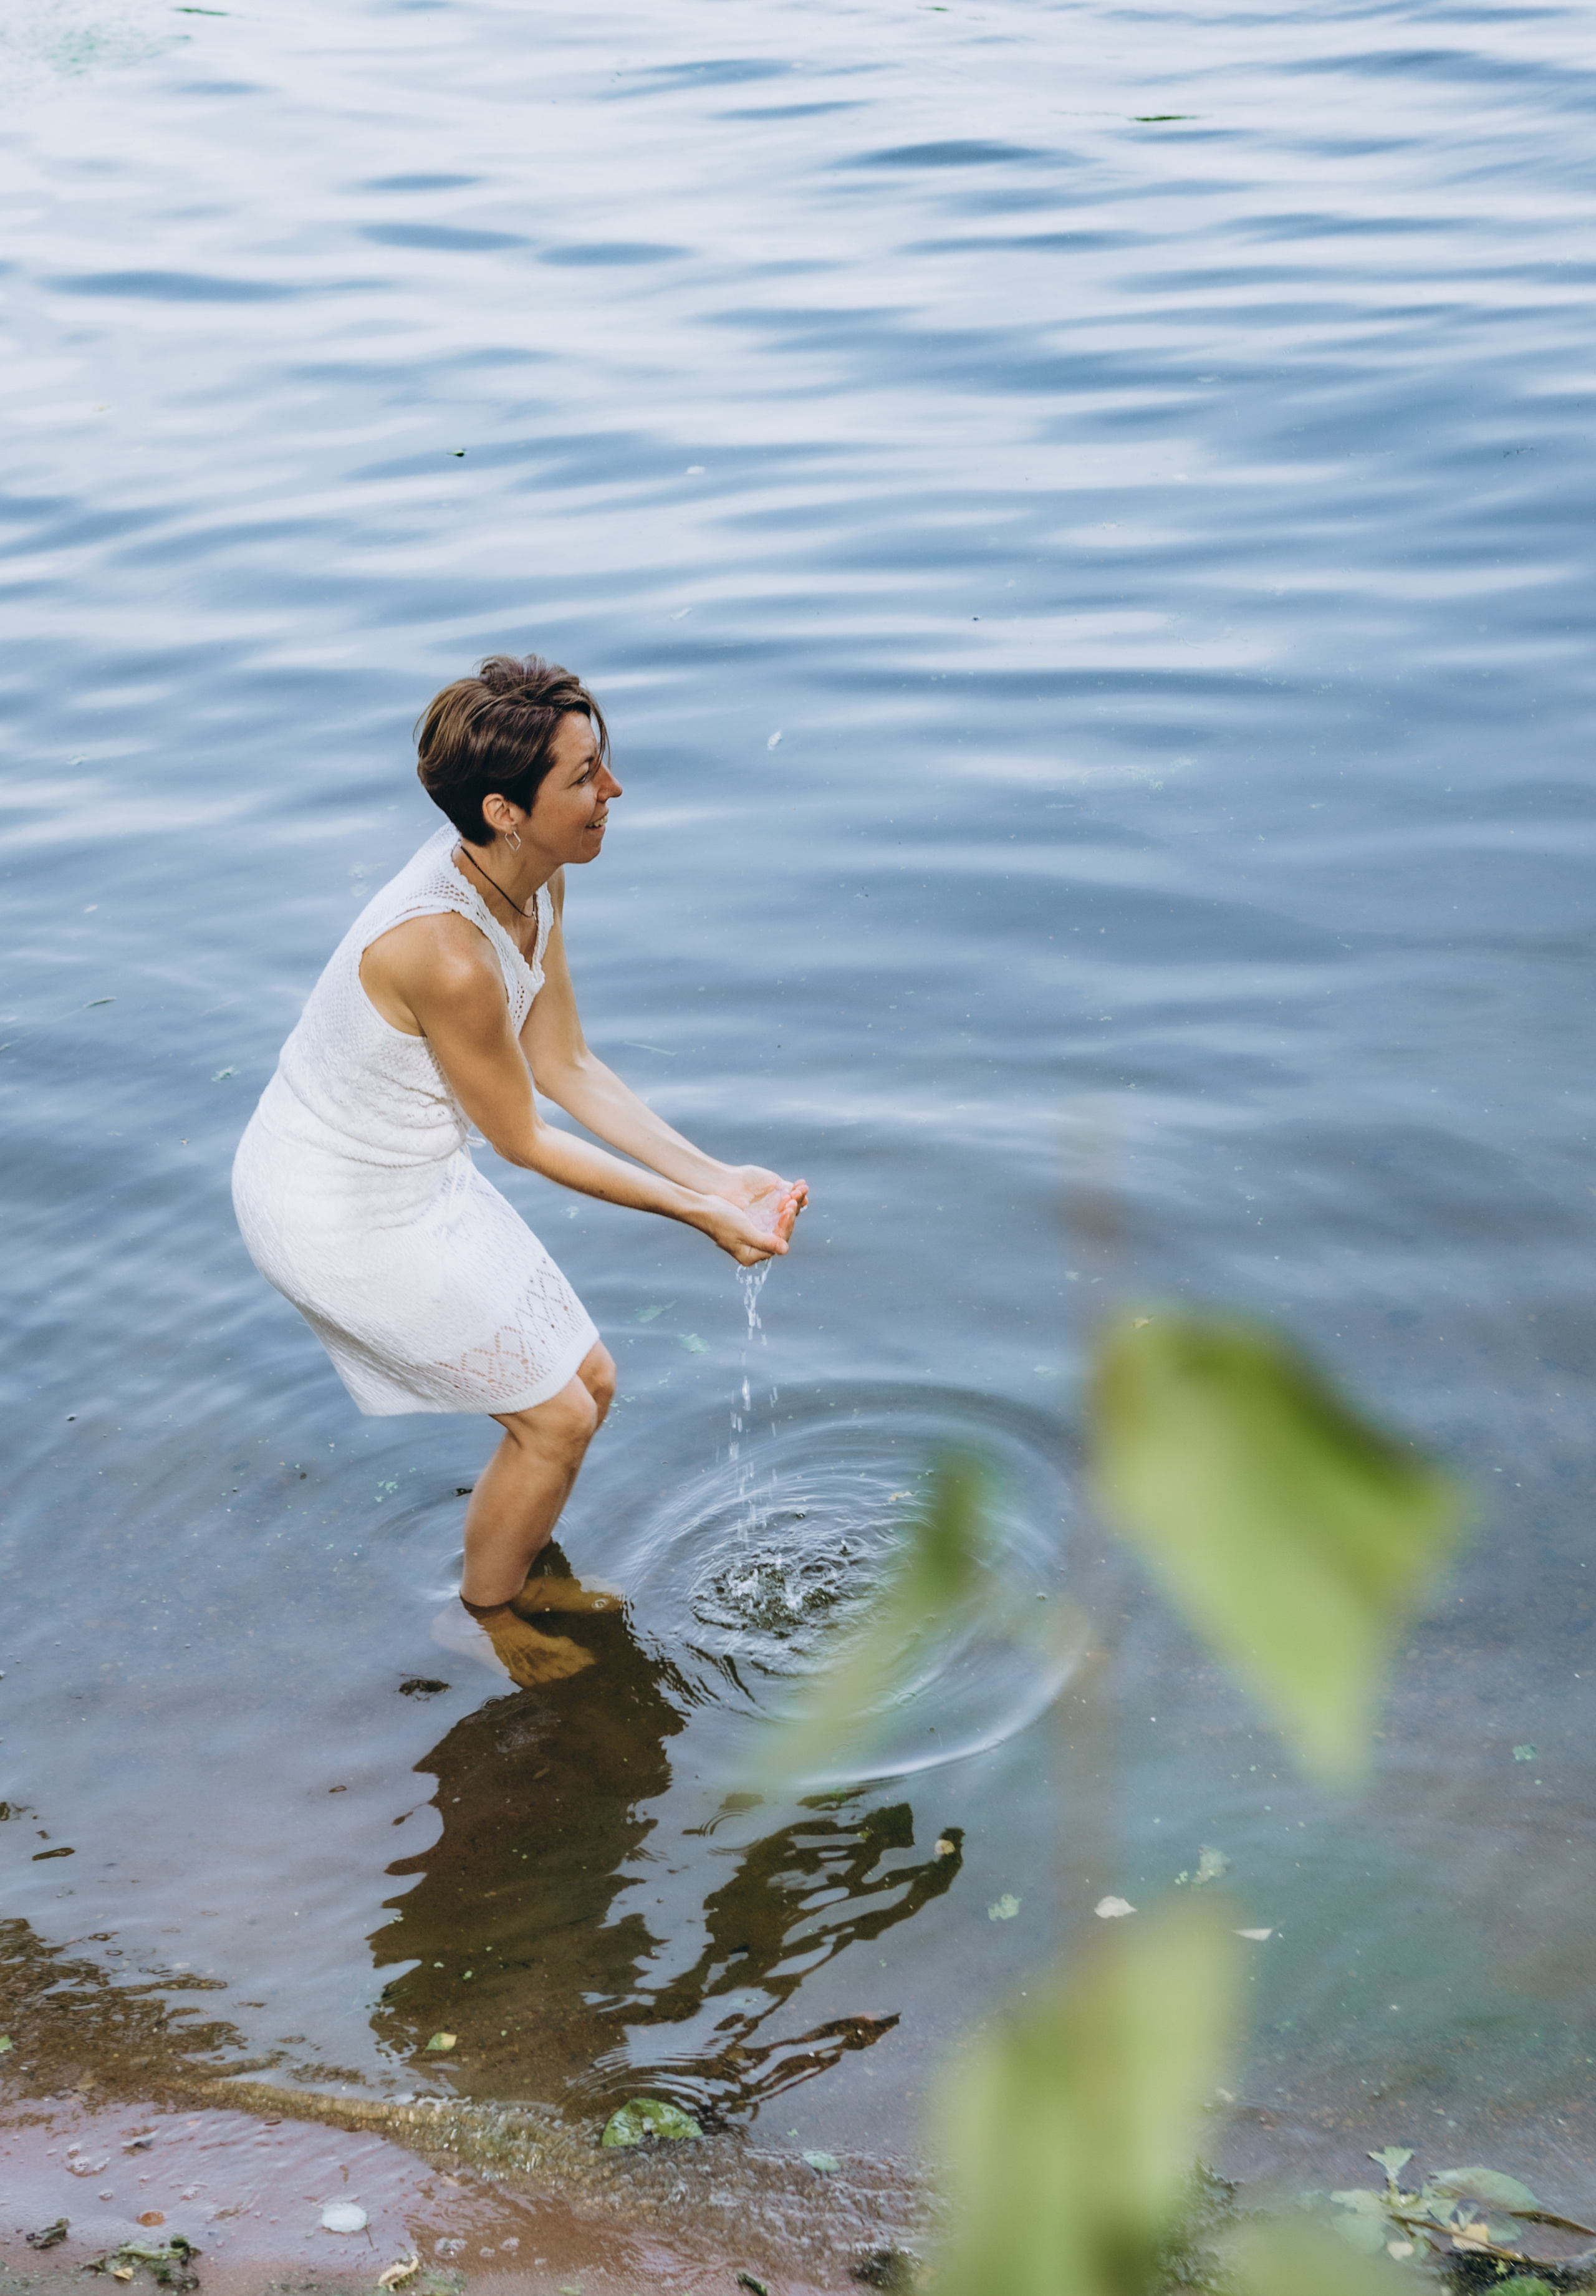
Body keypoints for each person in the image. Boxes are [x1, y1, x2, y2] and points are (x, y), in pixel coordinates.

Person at [232, 653, 805, 1684]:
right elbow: (527, 1140)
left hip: (414, 1172)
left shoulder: (528, 882)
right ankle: (484, 1614)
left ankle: (521, 1568)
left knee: (590, 1379)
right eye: (586, 777)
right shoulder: (446, 952)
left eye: (604, 764)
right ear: (504, 808)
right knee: (554, 1417)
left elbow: (567, 1067)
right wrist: (696, 1218)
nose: (613, 792)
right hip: (335, 1206)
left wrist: (721, 1178)